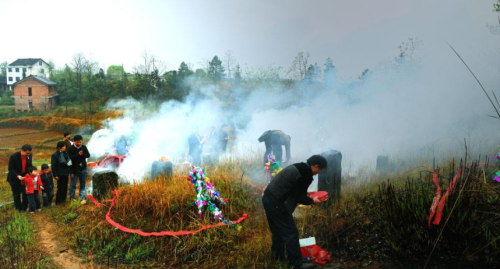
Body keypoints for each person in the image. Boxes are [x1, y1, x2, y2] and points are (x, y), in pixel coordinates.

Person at [262, 155, 328, 269]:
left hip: (268, 198)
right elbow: (300, 198)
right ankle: (296, 264)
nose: (318, 173)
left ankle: (277, 257)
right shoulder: (305, 175)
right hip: (277, 204)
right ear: (315, 166)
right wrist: (313, 201)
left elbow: (295, 189)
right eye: (319, 170)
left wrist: (308, 196)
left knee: (278, 231)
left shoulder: (299, 167)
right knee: (291, 233)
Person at [6, 144, 32, 212]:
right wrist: (18, 176)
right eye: (27, 153)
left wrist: (30, 173)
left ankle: (24, 208)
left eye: (29, 153)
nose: (28, 155)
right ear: (22, 151)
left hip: (24, 177)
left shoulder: (29, 156)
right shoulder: (14, 157)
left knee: (25, 193)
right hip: (15, 178)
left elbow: (29, 166)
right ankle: (18, 209)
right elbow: (11, 169)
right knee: (16, 194)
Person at [68, 135, 90, 201]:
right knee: (73, 184)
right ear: (74, 141)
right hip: (74, 169)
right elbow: (70, 158)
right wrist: (78, 154)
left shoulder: (84, 147)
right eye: (77, 142)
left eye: (80, 142)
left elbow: (88, 155)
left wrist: (82, 154)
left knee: (82, 183)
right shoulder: (70, 148)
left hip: (83, 168)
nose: (79, 144)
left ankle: (82, 197)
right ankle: (72, 198)